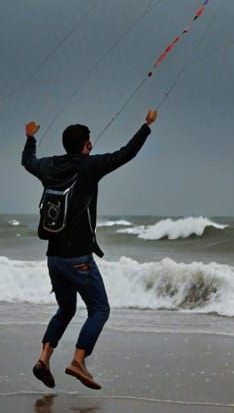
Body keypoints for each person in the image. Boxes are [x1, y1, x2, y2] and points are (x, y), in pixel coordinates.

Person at [22, 109, 157, 390]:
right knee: (100, 309)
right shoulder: (89, 166)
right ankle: (78, 360)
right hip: (78, 259)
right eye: (89, 141)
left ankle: (43, 359)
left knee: (66, 308)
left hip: (53, 257)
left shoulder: (49, 166)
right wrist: (146, 125)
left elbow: (28, 162)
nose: (91, 145)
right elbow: (126, 153)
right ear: (86, 145)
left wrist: (31, 138)